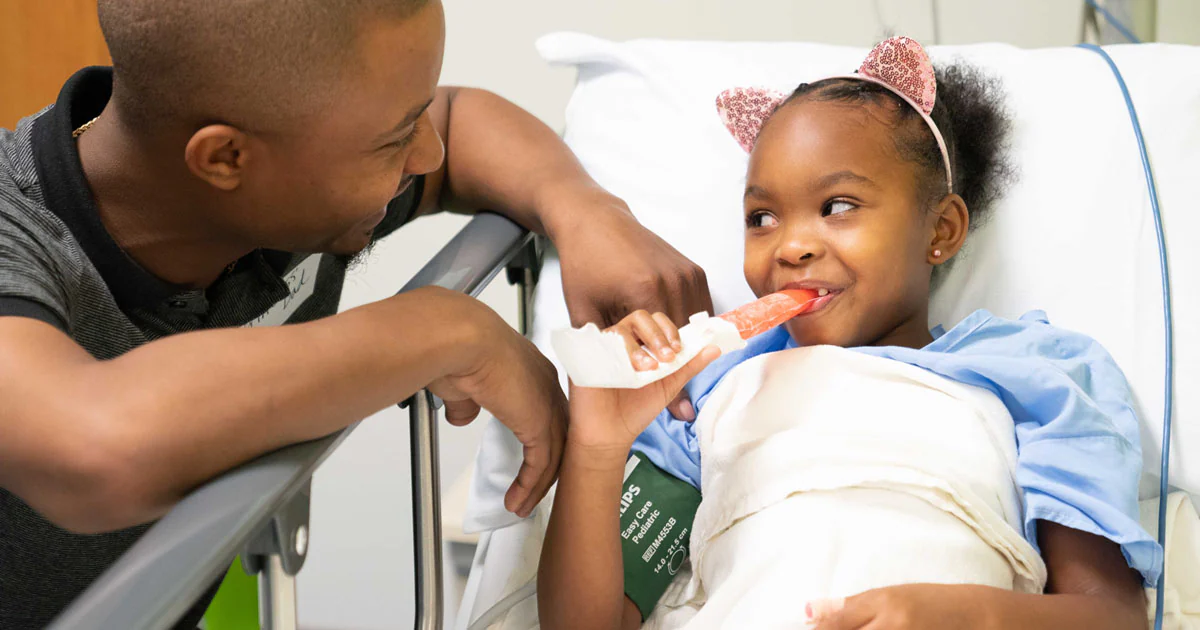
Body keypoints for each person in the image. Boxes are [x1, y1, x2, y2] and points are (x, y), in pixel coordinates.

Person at [0, 0, 713, 626]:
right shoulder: (18, 236)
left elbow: (460, 121)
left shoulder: (282, 176)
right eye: (396, 136)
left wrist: (587, 211)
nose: (426, 151)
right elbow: (92, 449)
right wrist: (445, 329)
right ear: (224, 158)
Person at [538, 38, 1157, 630]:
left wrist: (968, 616)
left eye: (838, 206)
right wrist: (596, 448)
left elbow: (1110, 615)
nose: (793, 245)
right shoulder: (696, 391)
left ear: (941, 229)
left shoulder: (1034, 372)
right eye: (762, 218)